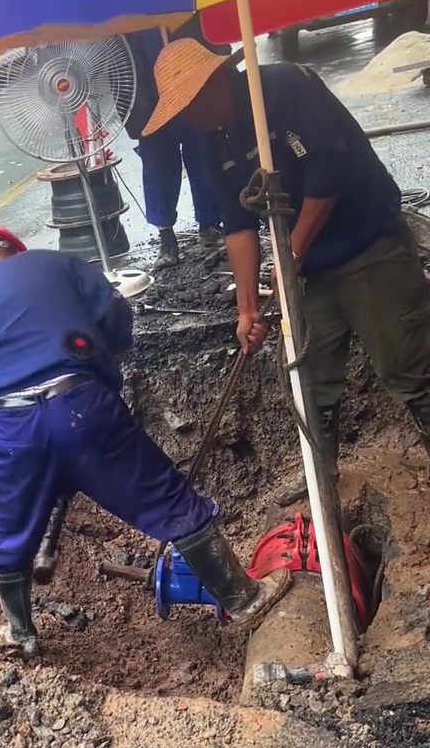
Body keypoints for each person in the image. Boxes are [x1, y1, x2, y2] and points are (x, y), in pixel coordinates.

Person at [0, 224, 289, 655]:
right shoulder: (56, 264)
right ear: (16, 252)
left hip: (13, 426)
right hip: (78, 401)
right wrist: (103, 364)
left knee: (11, 527)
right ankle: (242, 599)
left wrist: (27, 446)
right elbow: (114, 316)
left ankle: (20, 633)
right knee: (164, 498)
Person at [143, 39, 430, 499]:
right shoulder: (207, 138)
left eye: (187, 107)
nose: (186, 120)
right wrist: (247, 307)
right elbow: (237, 223)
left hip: (366, 243)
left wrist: (292, 253)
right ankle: (322, 474)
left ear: (212, 85)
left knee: (408, 362)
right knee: (310, 374)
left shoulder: (285, 87)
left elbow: (328, 172)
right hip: (309, 264)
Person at [126, 26, 223, 267]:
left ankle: (210, 224)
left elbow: (211, 39)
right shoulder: (127, 21)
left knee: (204, 154)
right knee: (158, 167)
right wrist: (135, 115)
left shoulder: (186, 4)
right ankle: (166, 236)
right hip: (149, 101)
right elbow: (122, 68)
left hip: (193, 87)